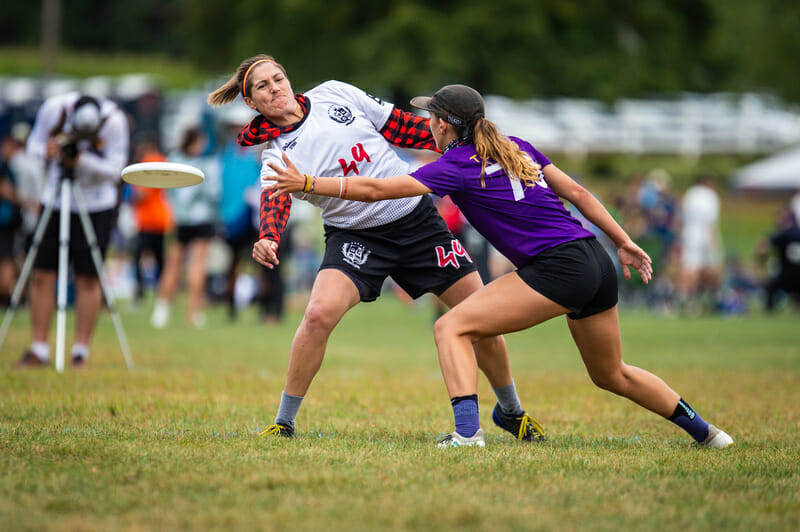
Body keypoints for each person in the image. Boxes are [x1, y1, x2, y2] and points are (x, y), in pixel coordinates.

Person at [265, 84, 734, 449]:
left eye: (431, 117)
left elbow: (372, 191)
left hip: (559, 268)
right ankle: (708, 433)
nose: (426, 124)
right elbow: (581, 195)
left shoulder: (455, 166)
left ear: (446, 125)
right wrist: (624, 242)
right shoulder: (518, 146)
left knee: (451, 328)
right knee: (612, 374)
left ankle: (467, 435)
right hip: (595, 258)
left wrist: (308, 181)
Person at [208, 55, 541, 442]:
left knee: (479, 315)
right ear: (252, 102)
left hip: (415, 220)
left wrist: (461, 144)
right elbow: (275, 200)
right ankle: (284, 422)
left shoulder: (335, 93)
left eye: (278, 78)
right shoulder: (275, 154)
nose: (275, 89)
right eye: (262, 87)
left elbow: (401, 127)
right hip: (355, 236)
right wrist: (267, 236)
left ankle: (512, 412)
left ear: (288, 78)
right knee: (317, 315)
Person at [17, 92, 130, 368]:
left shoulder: (114, 120)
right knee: (43, 272)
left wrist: (80, 161)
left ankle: (80, 351)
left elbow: (116, 169)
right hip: (55, 198)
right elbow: (32, 145)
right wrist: (48, 151)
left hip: (97, 204)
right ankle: (39, 348)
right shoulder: (54, 108)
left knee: (88, 277)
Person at [150, 127, 220, 329]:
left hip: (180, 220)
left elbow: (167, 193)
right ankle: (192, 313)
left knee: (175, 266)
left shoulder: (173, 160)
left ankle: (163, 311)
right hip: (198, 220)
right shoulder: (207, 164)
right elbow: (214, 194)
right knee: (192, 266)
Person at [129, 139, 173, 304]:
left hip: (148, 220)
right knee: (160, 259)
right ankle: (162, 293)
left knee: (139, 257)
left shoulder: (150, 161)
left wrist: (130, 198)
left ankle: (141, 292)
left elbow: (143, 193)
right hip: (160, 219)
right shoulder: (162, 159)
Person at [678, 176, 723, 313]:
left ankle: (688, 300)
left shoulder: (690, 194)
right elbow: (710, 223)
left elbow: (682, 217)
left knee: (690, 267)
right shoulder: (710, 196)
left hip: (689, 234)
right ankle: (712, 301)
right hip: (704, 235)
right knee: (711, 268)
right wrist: (713, 244)